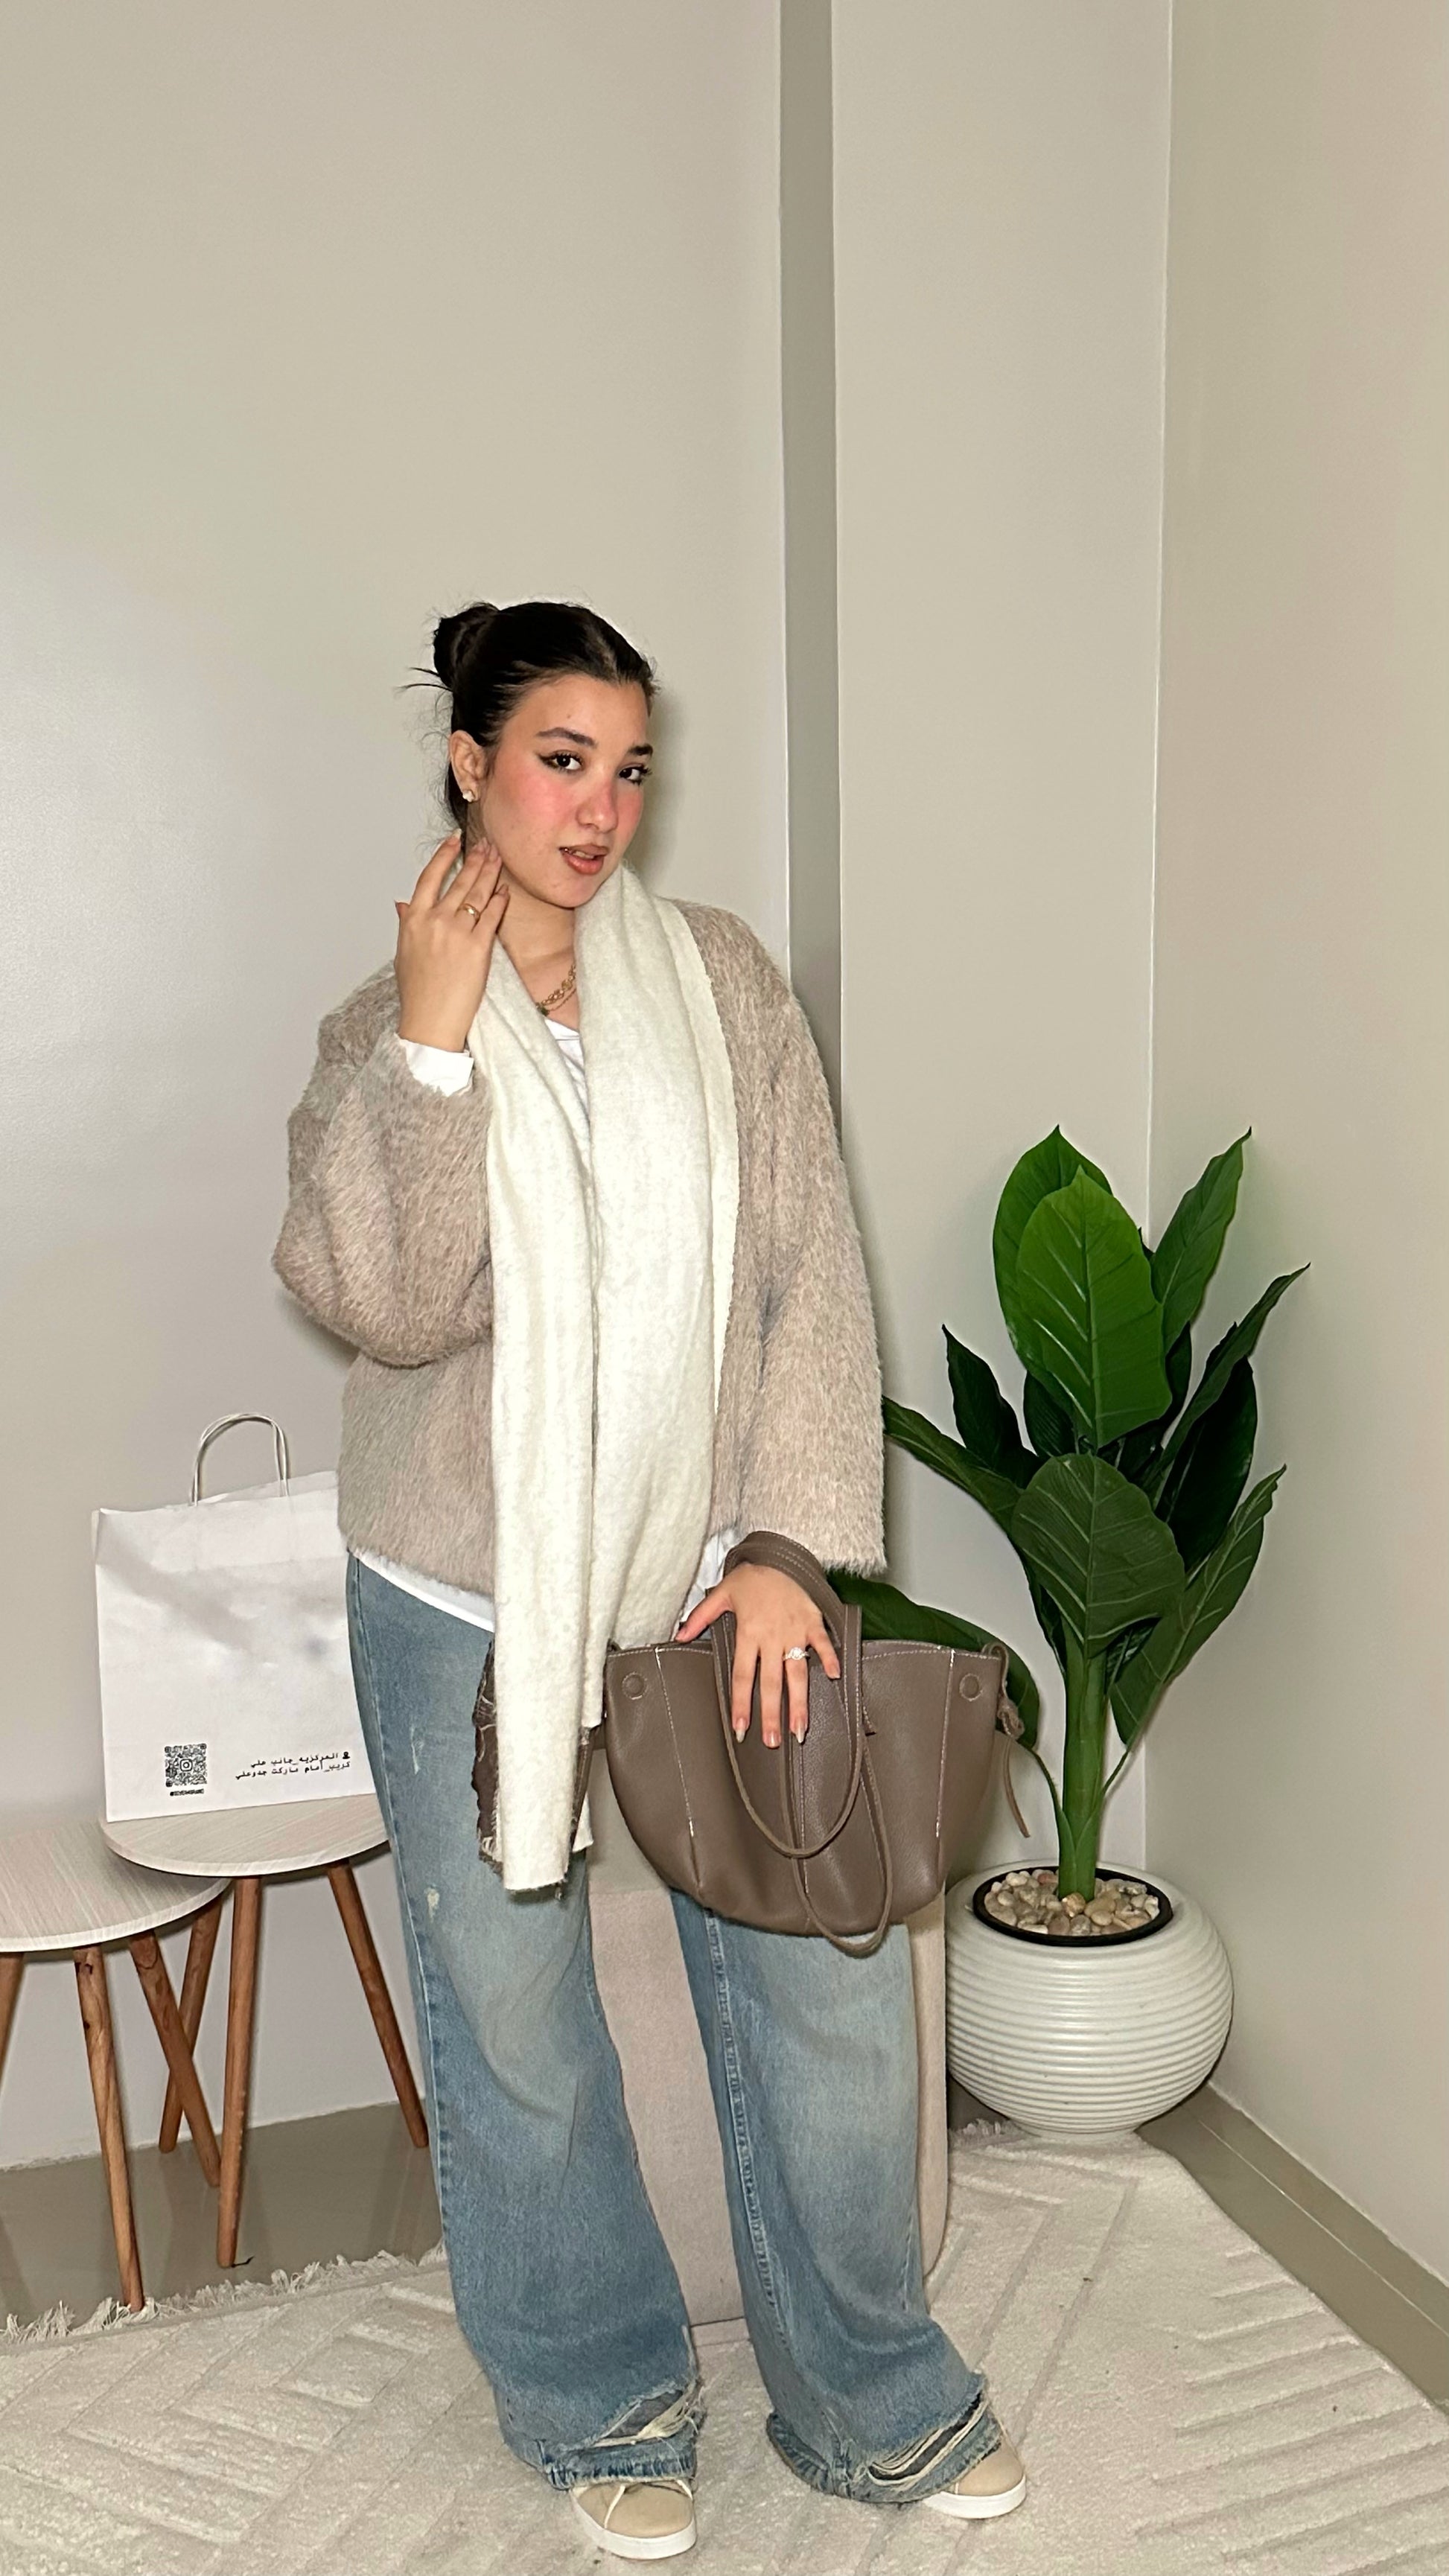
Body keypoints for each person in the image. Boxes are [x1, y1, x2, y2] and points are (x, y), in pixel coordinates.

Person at [274, 599, 1025, 2557]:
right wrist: (435, 1052)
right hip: (462, 1589)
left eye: (627, 767)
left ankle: (869, 2393)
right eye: (559, 761)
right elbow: (386, 1301)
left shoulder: (719, 982)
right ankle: (597, 2393)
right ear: (471, 764)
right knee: (512, 2018)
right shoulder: (380, 1026)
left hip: (711, 1574)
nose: (600, 807)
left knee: (829, 1989)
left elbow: (806, 1273)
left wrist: (780, 1545)